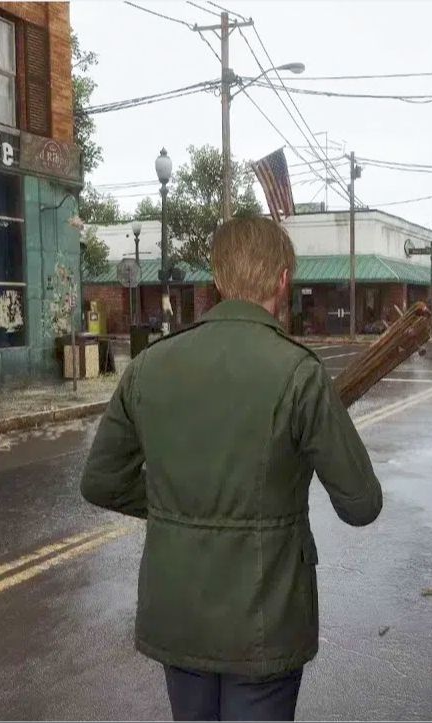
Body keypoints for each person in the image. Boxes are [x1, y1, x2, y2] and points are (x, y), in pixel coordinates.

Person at [80, 217, 382, 721]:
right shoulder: (299, 373)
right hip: (265, 618)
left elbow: (102, 481)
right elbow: (361, 504)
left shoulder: (150, 365)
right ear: (283, 280)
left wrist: (173, 502)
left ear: (218, 280)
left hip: (178, 614)